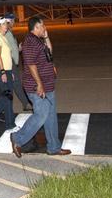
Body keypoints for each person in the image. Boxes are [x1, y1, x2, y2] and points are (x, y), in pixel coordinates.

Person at [11, 15, 70, 157]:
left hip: (48, 84)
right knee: (42, 114)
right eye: (43, 25)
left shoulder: (39, 40)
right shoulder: (30, 42)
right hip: (36, 86)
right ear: (36, 27)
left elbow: (49, 52)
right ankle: (17, 138)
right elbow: (31, 65)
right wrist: (39, 84)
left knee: (50, 116)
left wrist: (46, 37)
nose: (45, 27)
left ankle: (54, 147)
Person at [0, 14, 32, 112]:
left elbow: (10, 48)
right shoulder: (6, 34)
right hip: (10, 63)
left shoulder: (9, 33)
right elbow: (4, 51)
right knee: (16, 84)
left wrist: (18, 49)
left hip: (12, 63)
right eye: (12, 21)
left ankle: (3, 107)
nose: (13, 23)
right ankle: (25, 104)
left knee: (13, 85)